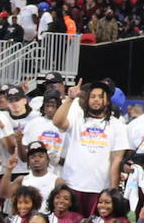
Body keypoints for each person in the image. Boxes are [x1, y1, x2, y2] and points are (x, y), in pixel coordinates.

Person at [54, 80, 129, 214]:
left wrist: (112, 191)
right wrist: (70, 99)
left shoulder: (118, 126)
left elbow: (116, 160)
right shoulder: (78, 119)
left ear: (107, 101)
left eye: (101, 97)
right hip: (72, 185)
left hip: (100, 188)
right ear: (88, 99)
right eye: (93, 96)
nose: (96, 100)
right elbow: (58, 122)